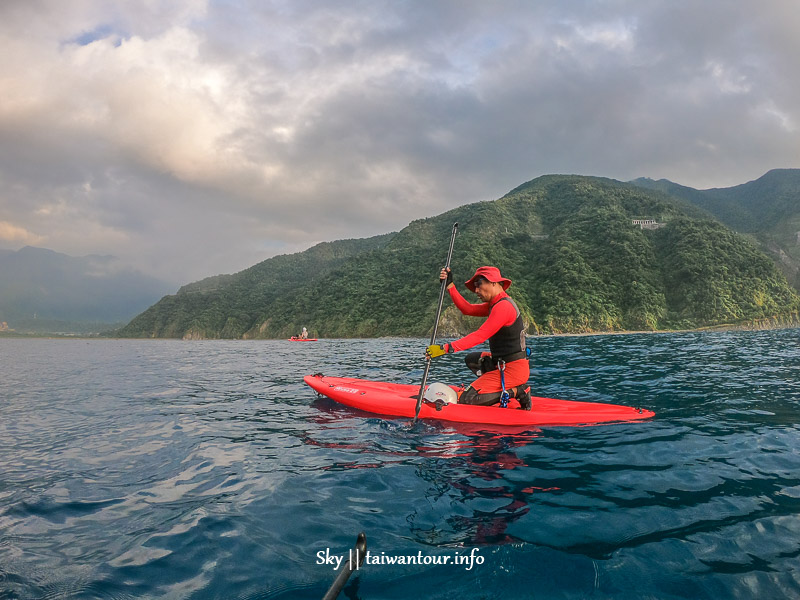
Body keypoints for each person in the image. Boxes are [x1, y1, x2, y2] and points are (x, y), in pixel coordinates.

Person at [426, 266, 531, 410]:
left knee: (467, 399)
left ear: (494, 282)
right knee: (472, 360)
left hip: (513, 370)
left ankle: (519, 391)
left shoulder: (504, 307)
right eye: (475, 286)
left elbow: (480, 335)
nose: (476, 290)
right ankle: (493, 388)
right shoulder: (494, 305)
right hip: (501, 363)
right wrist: (450, 285)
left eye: (479, 284)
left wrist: (446, 348)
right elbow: (467, 309)